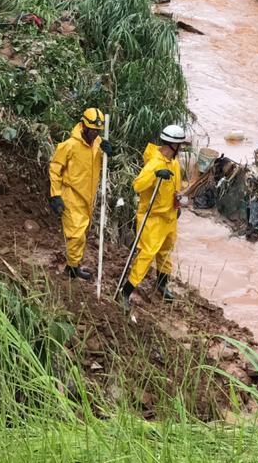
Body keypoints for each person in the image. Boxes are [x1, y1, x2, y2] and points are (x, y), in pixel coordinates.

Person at [117, 123, 186, 312]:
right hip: (153, 217)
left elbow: (176, 187)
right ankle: (126, 292)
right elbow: (137, 185)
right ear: (174, 145)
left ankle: (162, 285)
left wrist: (177, 204)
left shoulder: (174, 163)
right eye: (181, 145)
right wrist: (155, 175)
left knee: (166, 251)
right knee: (147, 255)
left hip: (169, 216)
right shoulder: (155, 163)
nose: (182, 149)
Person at [49, 107, 111, 279]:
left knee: (82, 233)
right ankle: (71, 268)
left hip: (88, 197)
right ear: (84, 126)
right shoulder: (69, 146)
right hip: (71, 195)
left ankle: (73, 266)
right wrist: (55, 195)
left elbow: (98, 164)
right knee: (76, 235)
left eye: (97, 131)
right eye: (92, 130)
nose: (94, 134)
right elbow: (55, 170)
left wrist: (107, 153)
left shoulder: (97, 144)